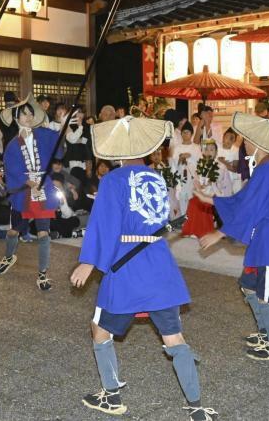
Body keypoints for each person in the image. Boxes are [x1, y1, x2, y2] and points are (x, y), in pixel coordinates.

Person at [70, 116, 218, 421]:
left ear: (120, 150)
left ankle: (112, 396)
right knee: (174, 338)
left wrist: (88, 261)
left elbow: (104, 223)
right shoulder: (156, 177)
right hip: (158, 262)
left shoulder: (113, 180)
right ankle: (197, 408)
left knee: (100, 329)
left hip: (127, 266)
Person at [195, 112, 269, 363]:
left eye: (247, 140)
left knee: (266, 294)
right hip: (268, 237)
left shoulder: (267, 170)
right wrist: (210, 199)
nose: (244, 143)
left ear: (259, 144)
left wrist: (219, 233)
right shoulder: (267, 169)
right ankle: (266, 332)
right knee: (249, 284)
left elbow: (249, 207)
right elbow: (243, 200)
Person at [0, 94, 61, 291]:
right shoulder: (13, 145)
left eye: (30, 113)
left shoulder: (43, 135)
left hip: (42, 187)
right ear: (16, 119)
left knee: (43, 233)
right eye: (24, 114)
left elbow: (58, 148)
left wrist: (61, 126)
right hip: (23, 191)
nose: (28, 117)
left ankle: (43, 273)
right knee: (15, 230)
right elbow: (11, 169)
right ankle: (8, 256)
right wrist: (26, 181)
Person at [182, 140, 232, 238]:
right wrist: (199, 186)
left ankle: (204, 230)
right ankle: (194, 230)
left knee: (205, 202)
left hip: (216, 193)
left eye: (212, 150)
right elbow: (197, 180)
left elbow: (222, 183)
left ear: (216, 152)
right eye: (207, 150)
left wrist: (210, 183)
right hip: (203, 192)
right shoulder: (200, 165)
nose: (209, 152)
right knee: (193, 201)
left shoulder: (221, 166)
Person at [171, 121, 202, 215]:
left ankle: (192, 220)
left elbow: (200, 164)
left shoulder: (196, 148)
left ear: (191, 134)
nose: (185, 134)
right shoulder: (177, 148)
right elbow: (174, 165)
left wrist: (190, 157)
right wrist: (181, 158)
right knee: (182, 197)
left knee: (192, 198)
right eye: (183, 132)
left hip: (193, 178)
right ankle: (183, 220)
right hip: (181, 177)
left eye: (187, 132)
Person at [216, 129, 241, 194]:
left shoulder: (236, 150)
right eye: (227, 137)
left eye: (231, 138)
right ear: (223, 137)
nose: (228, 140)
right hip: (216, 178)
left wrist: (224, 162)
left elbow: (235, 169)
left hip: (230, 180)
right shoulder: (216, 147)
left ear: (234, 140)